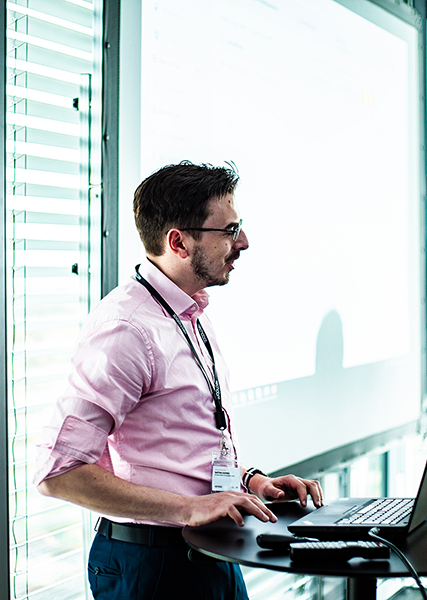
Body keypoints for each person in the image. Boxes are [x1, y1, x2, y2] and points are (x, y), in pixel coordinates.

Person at [33, 161, 323, 600]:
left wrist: (251, 482)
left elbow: (180, 447)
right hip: (154, 565)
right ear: (179, 242)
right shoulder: (127, 329)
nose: (243, 242)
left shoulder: (187, 312)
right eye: (229, 230)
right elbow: (59, 473)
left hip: (209, 549)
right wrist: (190, 508)